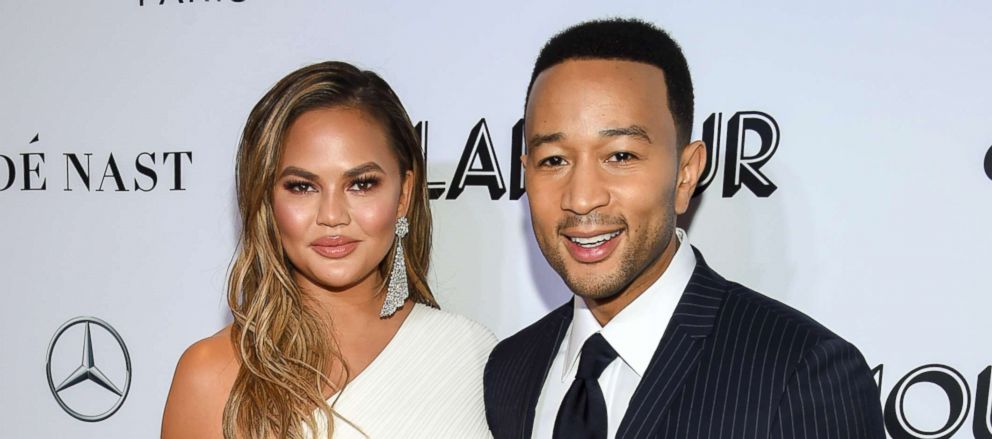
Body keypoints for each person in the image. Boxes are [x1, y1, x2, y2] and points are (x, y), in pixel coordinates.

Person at [483, 18, 884, 439]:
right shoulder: (509, 372)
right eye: (554, 160)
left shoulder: (798, 372)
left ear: (686, 174)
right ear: (525, 173)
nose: (582, 198)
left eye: (620, 157)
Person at [162, 61, 496, 439]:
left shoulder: (472, 356)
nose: (332, 215)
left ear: (403, 195)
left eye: (362, 184)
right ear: (266, 201)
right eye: (302, 187)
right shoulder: (213, 373)